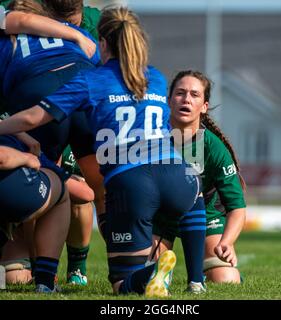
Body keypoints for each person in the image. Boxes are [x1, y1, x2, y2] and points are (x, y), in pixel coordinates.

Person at [0, 6, 207, 297]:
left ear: (103, 44)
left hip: (133, 184)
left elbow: (33, 118)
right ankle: (197, 281)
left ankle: (151, 271)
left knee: (123, 284)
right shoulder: (156, 77)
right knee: (193, 188)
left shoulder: (92, 80)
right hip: (178, 175)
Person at [0, 0, 103, 286]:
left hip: (30, 106)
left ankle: (71, 270)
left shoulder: (17, 39)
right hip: (79, 89)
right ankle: (125, 267)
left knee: (57, 182)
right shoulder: (77, 31)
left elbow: (16, 20)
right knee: (95, 186)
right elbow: (16, 20)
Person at [152, 70, 247, 284]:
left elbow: (237, 207)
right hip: (162, 216)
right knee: (146, 272)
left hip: (205, 217)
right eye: (180, 93)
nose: (186, 99)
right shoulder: (152, 136)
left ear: (204, 107)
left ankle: (204, 272)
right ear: (168, 101)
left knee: (226, 279)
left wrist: (227, 242)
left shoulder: (213, 147)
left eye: (194, 95)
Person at [0, 135, 71, 293]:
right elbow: (2, 158)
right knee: (60, 191)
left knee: (14, 276)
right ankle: (46, 282)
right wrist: (26, 158)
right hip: (10, 188)